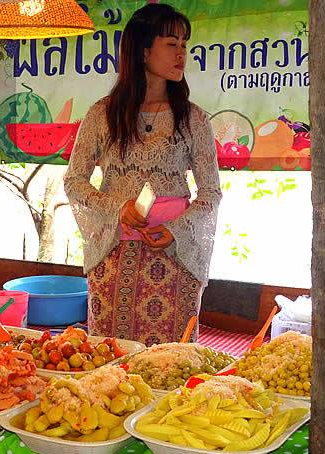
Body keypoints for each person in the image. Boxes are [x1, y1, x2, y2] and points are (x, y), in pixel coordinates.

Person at [64, 3, 221, 345]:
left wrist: (176, 230)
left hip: (174, 255)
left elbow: (211, 193)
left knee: (171, 361)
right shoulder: (101, 115)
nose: (181, 53)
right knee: (111, 356)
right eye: (171, 43)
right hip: (115, 254)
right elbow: (74, 180)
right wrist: (117, 209)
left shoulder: (194, 119)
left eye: (184, 44)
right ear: (144, 50)